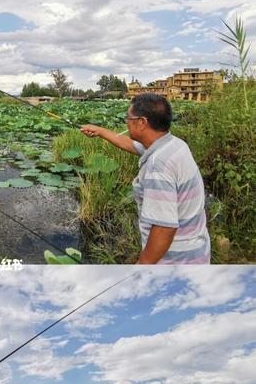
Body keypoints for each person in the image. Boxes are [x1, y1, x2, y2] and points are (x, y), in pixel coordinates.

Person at [81, 93, 210, 264]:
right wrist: (100, 131)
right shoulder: (173, 145)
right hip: (196, 252)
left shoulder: (159, 166)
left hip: (176, 260)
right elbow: (129, 144)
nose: (126, 121)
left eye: (128, 117)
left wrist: (142, 266)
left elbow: (164, 228)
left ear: (142, 122)